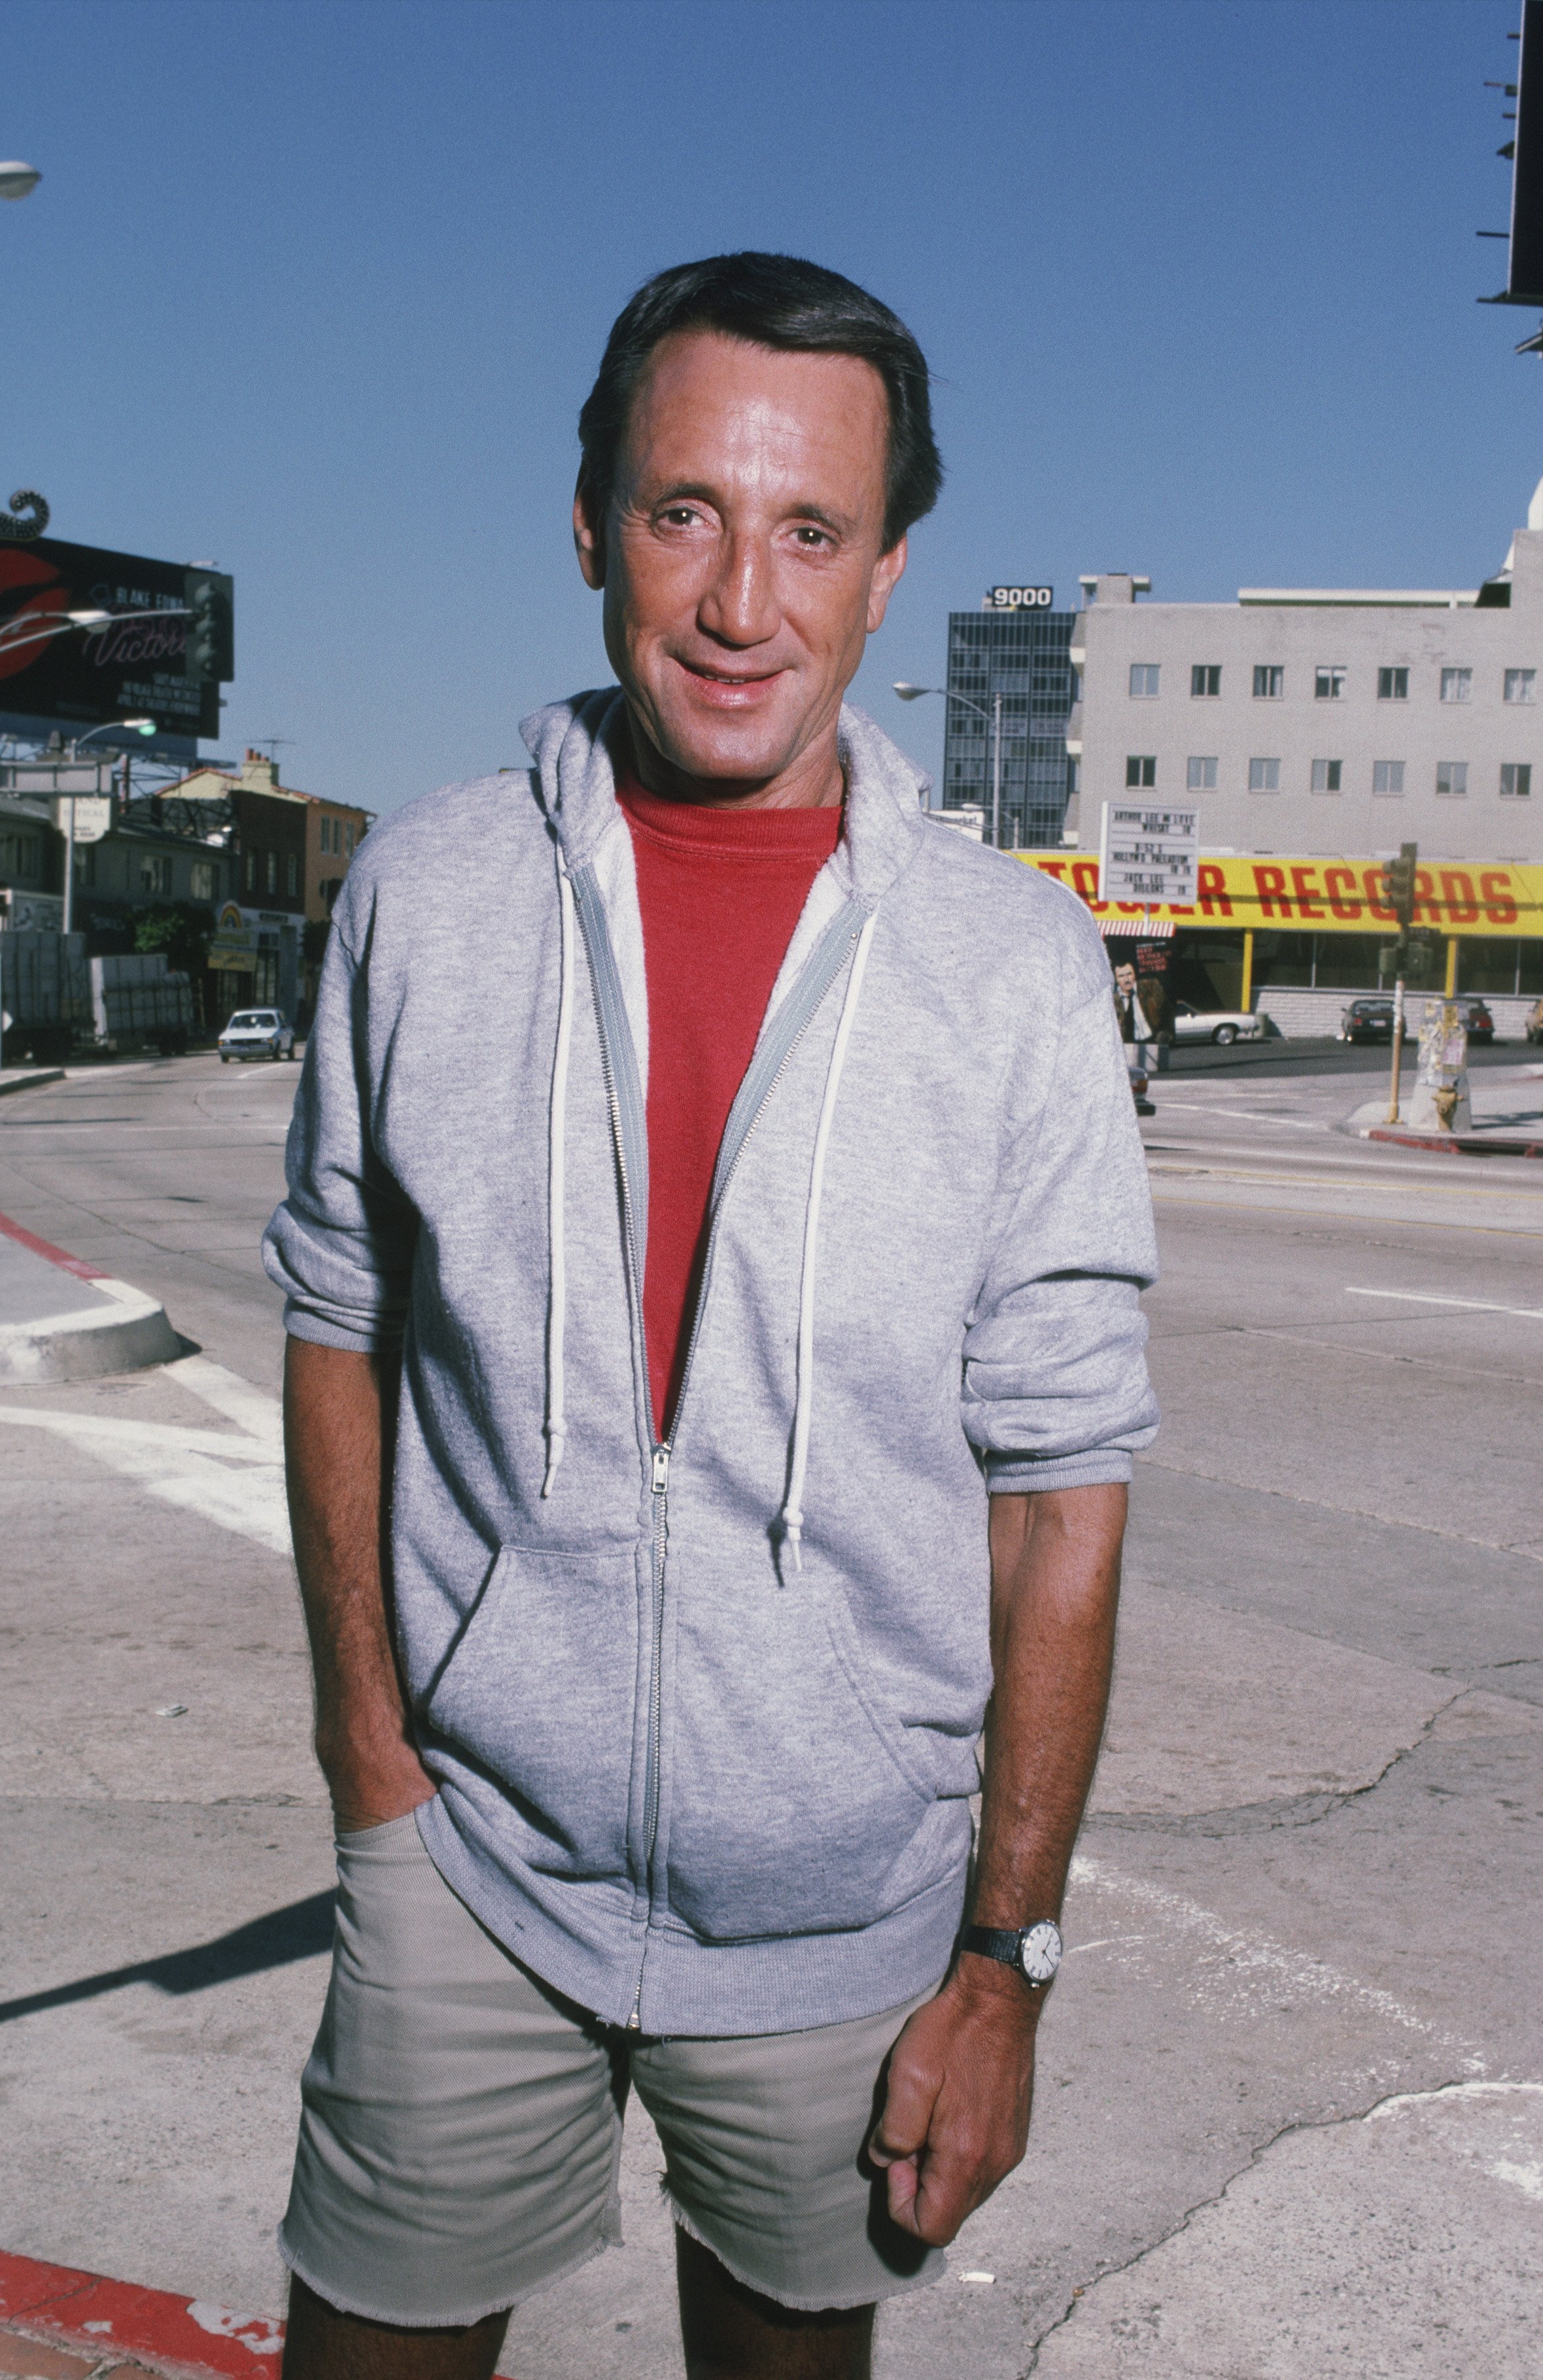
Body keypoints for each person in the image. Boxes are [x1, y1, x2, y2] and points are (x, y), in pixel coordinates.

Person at [264, 250, 1158, 2380]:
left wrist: (1004, 1961)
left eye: (810, 532)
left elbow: (1061, 1498)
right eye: (688, 512)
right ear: (592, 523)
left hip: (848, 1921)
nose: (743, 600)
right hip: (470, 1869)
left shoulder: (1018, 975)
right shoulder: (426, 892)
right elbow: (335, 1324)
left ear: (884, 575)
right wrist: (372, 1764)